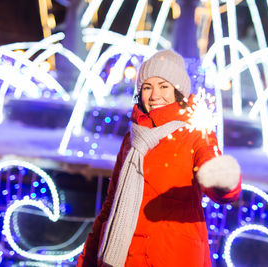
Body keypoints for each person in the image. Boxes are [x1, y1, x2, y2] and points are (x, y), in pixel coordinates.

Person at [77, 50, 241, 267]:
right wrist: (87, 259)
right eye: (147, 87)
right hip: (122, 259)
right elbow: (110, 206)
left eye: (164, 86)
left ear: (178, 91)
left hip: (172, 257)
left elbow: (220, 188)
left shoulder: (196, 135)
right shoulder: (131, 139)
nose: (154, 96)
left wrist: (225, 181)